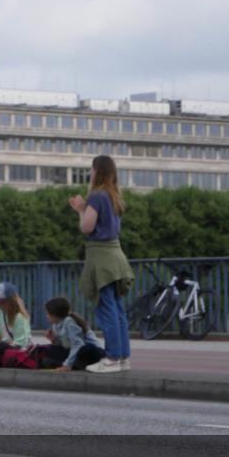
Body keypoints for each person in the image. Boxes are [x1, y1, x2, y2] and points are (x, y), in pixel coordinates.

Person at [70, 154, 135, 373]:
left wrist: (80, 209)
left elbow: (87, 227)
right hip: (116, 255)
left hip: (101, 258)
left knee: (106, 307)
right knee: (117, 309)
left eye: (92, 169)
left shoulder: (97, 196)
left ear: (97, 171)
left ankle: (112, 358)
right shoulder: (114, 195)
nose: (90, 172)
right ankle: (123, 357)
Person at [37, 297, 105, 372]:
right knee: (50, 349)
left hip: (91, 353)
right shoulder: (55, 325)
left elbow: (78, 344)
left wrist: (67, 365)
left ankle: (68, 365)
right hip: (76, 353)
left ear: (55, 314)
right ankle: (76, 365)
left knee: (87, 348)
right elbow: (66, 345)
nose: (46, 316)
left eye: (47, 313)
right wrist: (54, 340)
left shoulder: (69, 322)